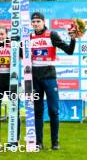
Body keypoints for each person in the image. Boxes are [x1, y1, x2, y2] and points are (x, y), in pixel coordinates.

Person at [30, 12, 76, 150]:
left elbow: (69, 51)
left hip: (49, 76)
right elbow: (20, 54)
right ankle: (38, 142)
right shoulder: (28, 37)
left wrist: (73, 39)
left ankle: (55, 142)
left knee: (53, 110)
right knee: (37, 111)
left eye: (38, 21)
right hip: (34, 78)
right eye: (33, 22)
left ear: (44, 22)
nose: (36, 24)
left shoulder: (52, 34)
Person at [0, 25, 20, 149]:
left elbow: (23, 56)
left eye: (2, 34)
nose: (0, 36)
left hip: (11, 80)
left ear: (6, 34)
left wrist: (18, 44)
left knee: (14, 109)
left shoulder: (13, 45)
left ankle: (15, 139)